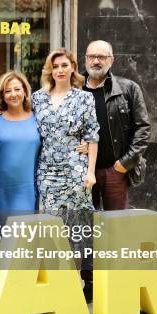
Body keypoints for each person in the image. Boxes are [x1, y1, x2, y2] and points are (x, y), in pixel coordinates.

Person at [80, 40, 151, 300]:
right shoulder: (75, 90)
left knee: (116, 226)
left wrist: (124, 163)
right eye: (92, 56)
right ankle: (89, 282)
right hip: (82, 173)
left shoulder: (128, 88)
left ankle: (117, 279)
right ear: (85, 59)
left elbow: (143, 129)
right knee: (86, 228)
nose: (96, 61)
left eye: (102, 56)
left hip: (114, 170)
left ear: (112, 60)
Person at [31, 48, 99, 266]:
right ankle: (57, 278)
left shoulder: (84, 98)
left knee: (76, 227)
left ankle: (76, 278)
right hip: (47, 170)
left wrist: (90, 172)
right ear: (50, 70)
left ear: (73, 68)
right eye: (55, 66)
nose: (60, 70)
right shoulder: (37, 98)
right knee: (52, 225)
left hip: (76, 170)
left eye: (64, 65)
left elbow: (92, 135)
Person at [0, 71, 41, 211]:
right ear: (2, 95)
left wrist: (85, 144)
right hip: (1, 190)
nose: (13, 94)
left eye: (17, 89)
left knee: (24, 230)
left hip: (28, 188)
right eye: (7, 91)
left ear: (25, 91)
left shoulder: (38, 117)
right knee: (1, 231)